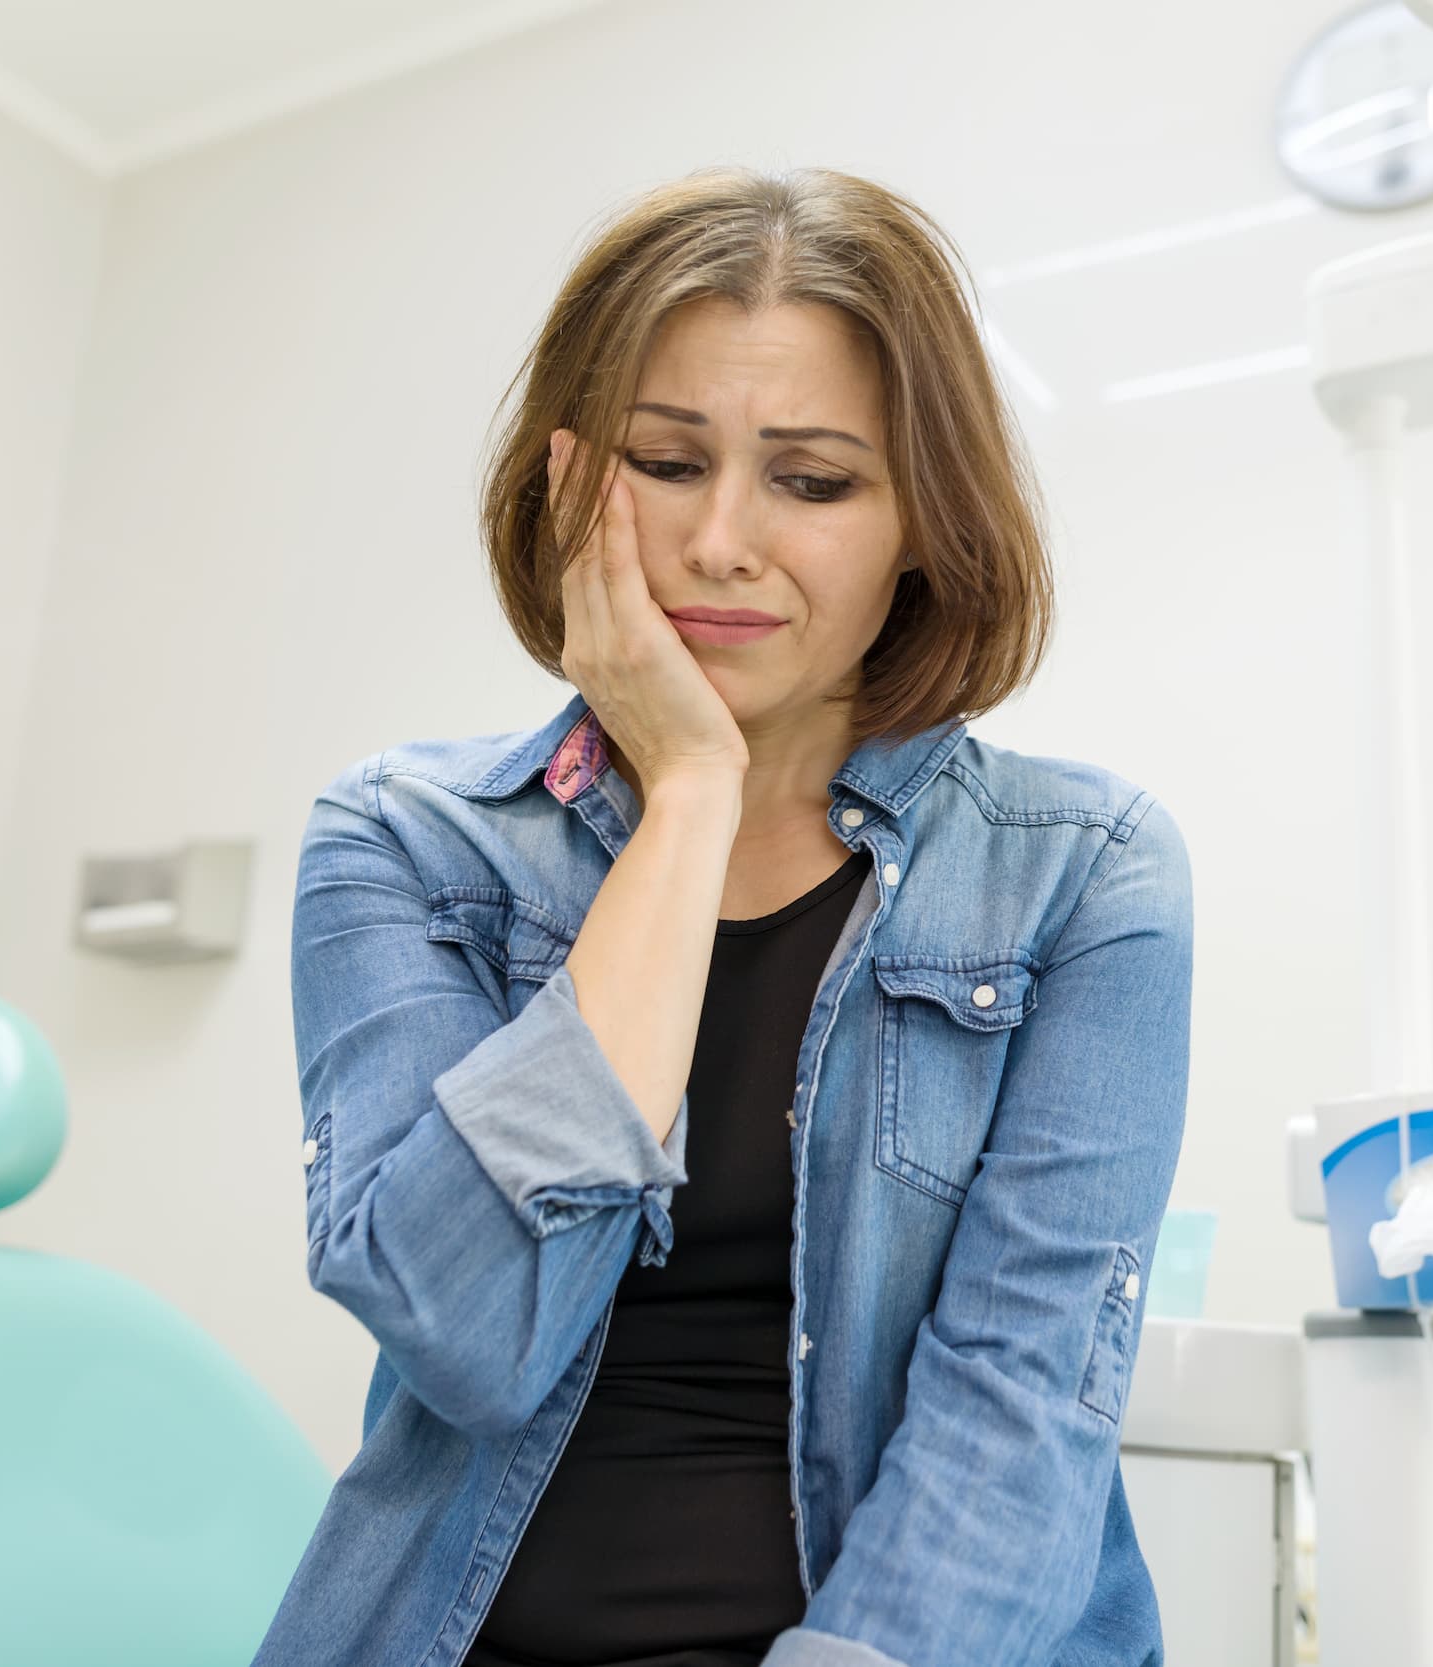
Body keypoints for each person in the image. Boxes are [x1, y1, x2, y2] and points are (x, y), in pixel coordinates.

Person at [250, 165, 1195, 1667]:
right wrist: (689, 789)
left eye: (813, 481)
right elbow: (470, 1335)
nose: (721, 544)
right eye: (665, 463)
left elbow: (1021, 1411)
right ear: (568, 486)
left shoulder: (1086, 874)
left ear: (921, 526)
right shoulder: (404, 841)